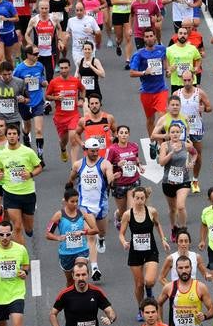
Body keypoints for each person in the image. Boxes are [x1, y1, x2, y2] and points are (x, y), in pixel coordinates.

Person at [68, 138, 114, 282]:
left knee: (101, 232)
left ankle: (102, 239)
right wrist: (68, 192)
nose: (95, 153)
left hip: (101, 205)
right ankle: (94, 267)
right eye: (92, 151)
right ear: (86, 150)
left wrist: (112, 180)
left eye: (97, 150)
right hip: (85, 206)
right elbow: (71, 180)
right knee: (90, 236)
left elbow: (110, 175)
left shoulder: (104, 164)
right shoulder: (78, 165)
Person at [119, 186, 169, 314]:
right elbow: (121, 233)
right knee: (139, 284)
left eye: (142, 198)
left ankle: (150, 291)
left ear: (145, 198)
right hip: (135, 253)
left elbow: (158, 224)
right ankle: (141, 308)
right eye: (137, 198)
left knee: (150, 281)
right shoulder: (127, 214)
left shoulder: (152, 211)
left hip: (150, 250)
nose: (140, 201)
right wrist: (124, 242)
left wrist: (163, 239)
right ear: (133, 198)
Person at [0, 122, 42, 243]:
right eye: (9, 134)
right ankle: (22, 258)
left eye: (14, 133)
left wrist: (30, 174)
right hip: (10, 193)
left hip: (28, 193)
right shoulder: (1, 155)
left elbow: (39, 167)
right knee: (17, 226)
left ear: (18, 136)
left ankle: (29, 229)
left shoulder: (28, 152)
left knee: (28, 228)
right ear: (6, 136)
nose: (12, 136)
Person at [45, 187, 98, 285]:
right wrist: (58, 238)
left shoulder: (82, 213)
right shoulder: (59, 215)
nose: (75, 204)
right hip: (66, 253)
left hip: (81, 250)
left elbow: (95, 230)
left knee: (81, 276)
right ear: (65, 201)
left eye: (77, 201)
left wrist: (83, 232)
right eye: (72, 201)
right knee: (70, 281)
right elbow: (48, 234)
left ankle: (82, 295)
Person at [175, 72, 213, 193]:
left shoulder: (199, 93)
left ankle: (195, 179)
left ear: (193, 79)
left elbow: (210, 107)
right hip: (181, 129)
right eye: (184, 80)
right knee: (180, 155)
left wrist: (204, 109)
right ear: (182, 80)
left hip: (196, 128)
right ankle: (182, 180)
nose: (187, 83)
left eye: (189, 80)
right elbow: (170, 109)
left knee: (197, 154)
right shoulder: (177, 94)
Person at [158, 122, 196, 239]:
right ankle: (174, 227)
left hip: (183, 180)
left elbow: (195, 154)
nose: (175, 134)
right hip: (168, 181)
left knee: (180, 206)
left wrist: (192, 163)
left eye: (177, 132)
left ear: (180, 133)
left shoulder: (186, 145)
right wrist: (171, 153)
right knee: (172, 209)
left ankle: (183, 230)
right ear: (169, 134)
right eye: (172, 132)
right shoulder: (165, 145)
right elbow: (161, 163)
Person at [129, 29, 169, 138]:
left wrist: (168, 69)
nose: (149, 38)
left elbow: (165, 61)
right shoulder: (139, 54)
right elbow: (132, 73)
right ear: (144, 38)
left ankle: (163, 141)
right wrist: (144, 72)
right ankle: (153, 141)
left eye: (151, 35)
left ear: (155, 37)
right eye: (146, 36)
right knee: (150, 119)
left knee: (162, 116)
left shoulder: (162, 49)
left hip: (161, 89)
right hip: (147, 92)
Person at [46, 58, 85, 164]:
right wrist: (56, 98)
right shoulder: (54, 82)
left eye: (66, 68)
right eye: (62, 68)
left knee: (73, 139)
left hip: (73, 115)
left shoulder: (75, 81)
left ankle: (74, 166)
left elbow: (83, 89)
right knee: (64, 141)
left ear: (69, 68)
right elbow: (47, 96)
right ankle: (63, 149)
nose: (64, 70)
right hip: (60, 117)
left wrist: (81, 99)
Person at [107, 125, 145, 226]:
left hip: (133, 181)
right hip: (119, 184)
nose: (124, 135)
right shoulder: (112, 149)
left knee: (132, 211)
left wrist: (139, 165)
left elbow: (136, 158)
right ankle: (118, 215)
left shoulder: (134, 146)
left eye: (126, 133)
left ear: (129, 134)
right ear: (117, 134)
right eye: (121, 133)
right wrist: (116, 165)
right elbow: (106, 165)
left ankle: (132, 234)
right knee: (123, 212)